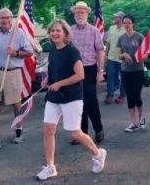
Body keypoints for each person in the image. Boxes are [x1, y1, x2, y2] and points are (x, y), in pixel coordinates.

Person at [36, 20, 107, 181]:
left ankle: (98, 154)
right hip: (54, 98)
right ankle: (50, 166)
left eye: (58, 31)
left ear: (65, 33)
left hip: (72, 97)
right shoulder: (53, 50)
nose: (55, 34)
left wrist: (60, 84)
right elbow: (52, 72)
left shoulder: (72, 51)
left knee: (75, 133)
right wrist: (46, 81)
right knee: (48, 130)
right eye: (52, 31)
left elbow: (80, 75)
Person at [0, 8, 33, 153]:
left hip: (12, 71)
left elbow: (29, 51)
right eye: (2, 18)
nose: (5, 20)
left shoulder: (19, 33)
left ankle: (18, 128)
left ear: (11, 19)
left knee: (16, 104)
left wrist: (15, 52)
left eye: (7, 18)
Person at [70, 1, 105, 143]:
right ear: (74, 14)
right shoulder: (69, 31)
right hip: (73, 71)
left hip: (90, 69)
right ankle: (81, 133)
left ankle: (98, 129)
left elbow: (100, 51)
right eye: (77, 12)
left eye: (82, 12)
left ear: (87, 14)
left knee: (90, 100)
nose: (79, 14)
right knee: (77, 102)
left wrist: (100, 71)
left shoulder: (94, 31)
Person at [117, 15, 147, 132]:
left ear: (133, 24)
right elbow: (119, 55)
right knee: (129, 96)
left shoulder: (139, 37)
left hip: (138, 70)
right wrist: (124, 55)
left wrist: (139, 58)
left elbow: (146, 53)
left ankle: (141, 117)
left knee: (136, 95)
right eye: (124, 23)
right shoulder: (121, 38)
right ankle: (133, 122)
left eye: (128, 23)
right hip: (125, 70)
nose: (126, 25)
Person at [104, 11, 126, 104]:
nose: (114, 18)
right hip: (111, 57)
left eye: (116, 17)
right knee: (110, 76)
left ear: (121, 19)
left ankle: (122, 96)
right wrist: (105, 54)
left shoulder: (126, 29)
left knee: (123, 77)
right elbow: (108, 43)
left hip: (122, 58)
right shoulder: (111, 28)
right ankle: (110, 95)